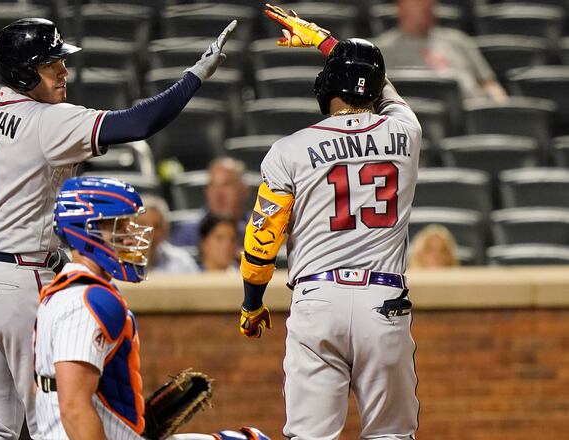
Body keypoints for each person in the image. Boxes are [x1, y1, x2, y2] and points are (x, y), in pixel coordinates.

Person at [0, 17, 237, 440]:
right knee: (54, 424)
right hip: (18, 281)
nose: (63, 70)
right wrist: (193, 77)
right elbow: (138, 124)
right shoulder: (47, 120)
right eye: (51, 63)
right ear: (25, 71)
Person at [239, 5, 421, 439]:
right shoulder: (406, 131)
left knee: (310, 436)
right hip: (384, 300)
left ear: (327, 87)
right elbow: (382, 85)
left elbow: (263, 239)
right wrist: (327, 43)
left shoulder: (290, 149)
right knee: (391, 434)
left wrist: (251, 301)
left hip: (317, 299)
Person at [34, 176, 270, 440]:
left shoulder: (55, 293)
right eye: (118, 226)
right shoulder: (91, 299)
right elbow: (74, 409)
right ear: (86, 230)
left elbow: (42, 391)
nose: (130, 235)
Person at [373, 0, 507, 101]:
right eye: (417, 3)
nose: (426, 7)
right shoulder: (381, 50)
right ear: (400, 7)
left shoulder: (459, 41)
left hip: (469, 115)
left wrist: (499, 106)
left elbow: (490, 84)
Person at [170, 157, 250, 247]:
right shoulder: (188, 234)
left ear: (244, 190)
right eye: (213, 185)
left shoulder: (262, 229)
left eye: (227, 185)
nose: (218, 195)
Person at [134, 194, 200, 273]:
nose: (150, 232)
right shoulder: (119, 262)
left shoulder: (182, 263)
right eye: (143, 225)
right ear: (131, 228)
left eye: (157, 226)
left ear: (165, 230)